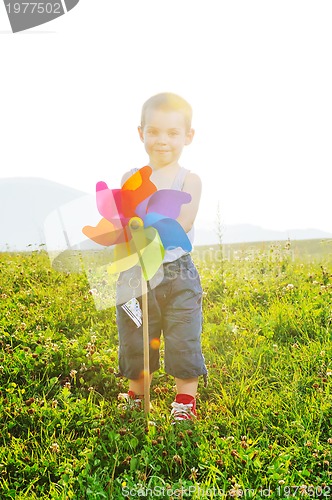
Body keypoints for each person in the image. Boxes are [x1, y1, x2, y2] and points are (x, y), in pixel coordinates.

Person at [116, 92, 207, 421]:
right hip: (136, 269)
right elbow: (125, 219)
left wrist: (149, 229)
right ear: (141, 133)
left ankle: (185, 401)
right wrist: (134, 231)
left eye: (172, 133)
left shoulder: (190, 180)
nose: (162, 140)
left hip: (178, 273)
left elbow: (184, 222)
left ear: (188, 136)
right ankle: (138, 395)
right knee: (136, 335)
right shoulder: (131, 178)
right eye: (153, 131)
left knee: (184, 334)